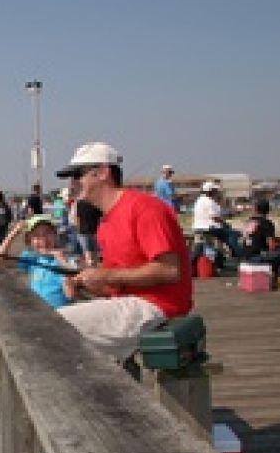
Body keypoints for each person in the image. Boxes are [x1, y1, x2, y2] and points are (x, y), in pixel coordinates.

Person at [54, 142, 193, 362]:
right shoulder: (106, 222)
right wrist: (86, 284)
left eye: (77, 175)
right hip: (130, 304)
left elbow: (169, 270)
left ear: (102, 173)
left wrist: (104, 275)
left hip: (157, 307)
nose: (72, 183)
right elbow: (119, 283)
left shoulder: (144, 207)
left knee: (49, 327)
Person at [0, 214, 74, 308]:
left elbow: (70, 294)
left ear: (55, 236)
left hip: (58, 315)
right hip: (37, 311)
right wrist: (14, 233)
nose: (43, 240)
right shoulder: (32, 258)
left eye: (47, 233)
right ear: (30, 242)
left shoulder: (65, 261)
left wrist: (62, 261)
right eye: (36, 236)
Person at [243, 199, 280, 290]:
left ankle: (274, 278)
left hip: (248, 256)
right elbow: (272, 246)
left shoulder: (249, 222)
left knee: (277, 252)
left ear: (256, 209)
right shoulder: (266, 223)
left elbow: (260, 239)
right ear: (268, 210)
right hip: (258, 257)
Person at [192, 181, 242, 258]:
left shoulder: (199, 200)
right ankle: (238, 255)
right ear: (211, 191)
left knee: (201, 247)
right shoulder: (210, 201)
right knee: (232, 234)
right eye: (215, 190)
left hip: (198, 227)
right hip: (209, 228)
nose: (217, 192)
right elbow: (215, 217)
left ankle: (222, 257)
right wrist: (225, 223)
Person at [69, 197, 102, 266]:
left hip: (83, 231)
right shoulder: (95, 203)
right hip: (94, 231)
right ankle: (94, 266)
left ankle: (91, 266)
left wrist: (77, 229)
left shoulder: (79, 203)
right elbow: (100, 217)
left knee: (87, 252)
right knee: (94, 252)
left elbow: (76, 218)